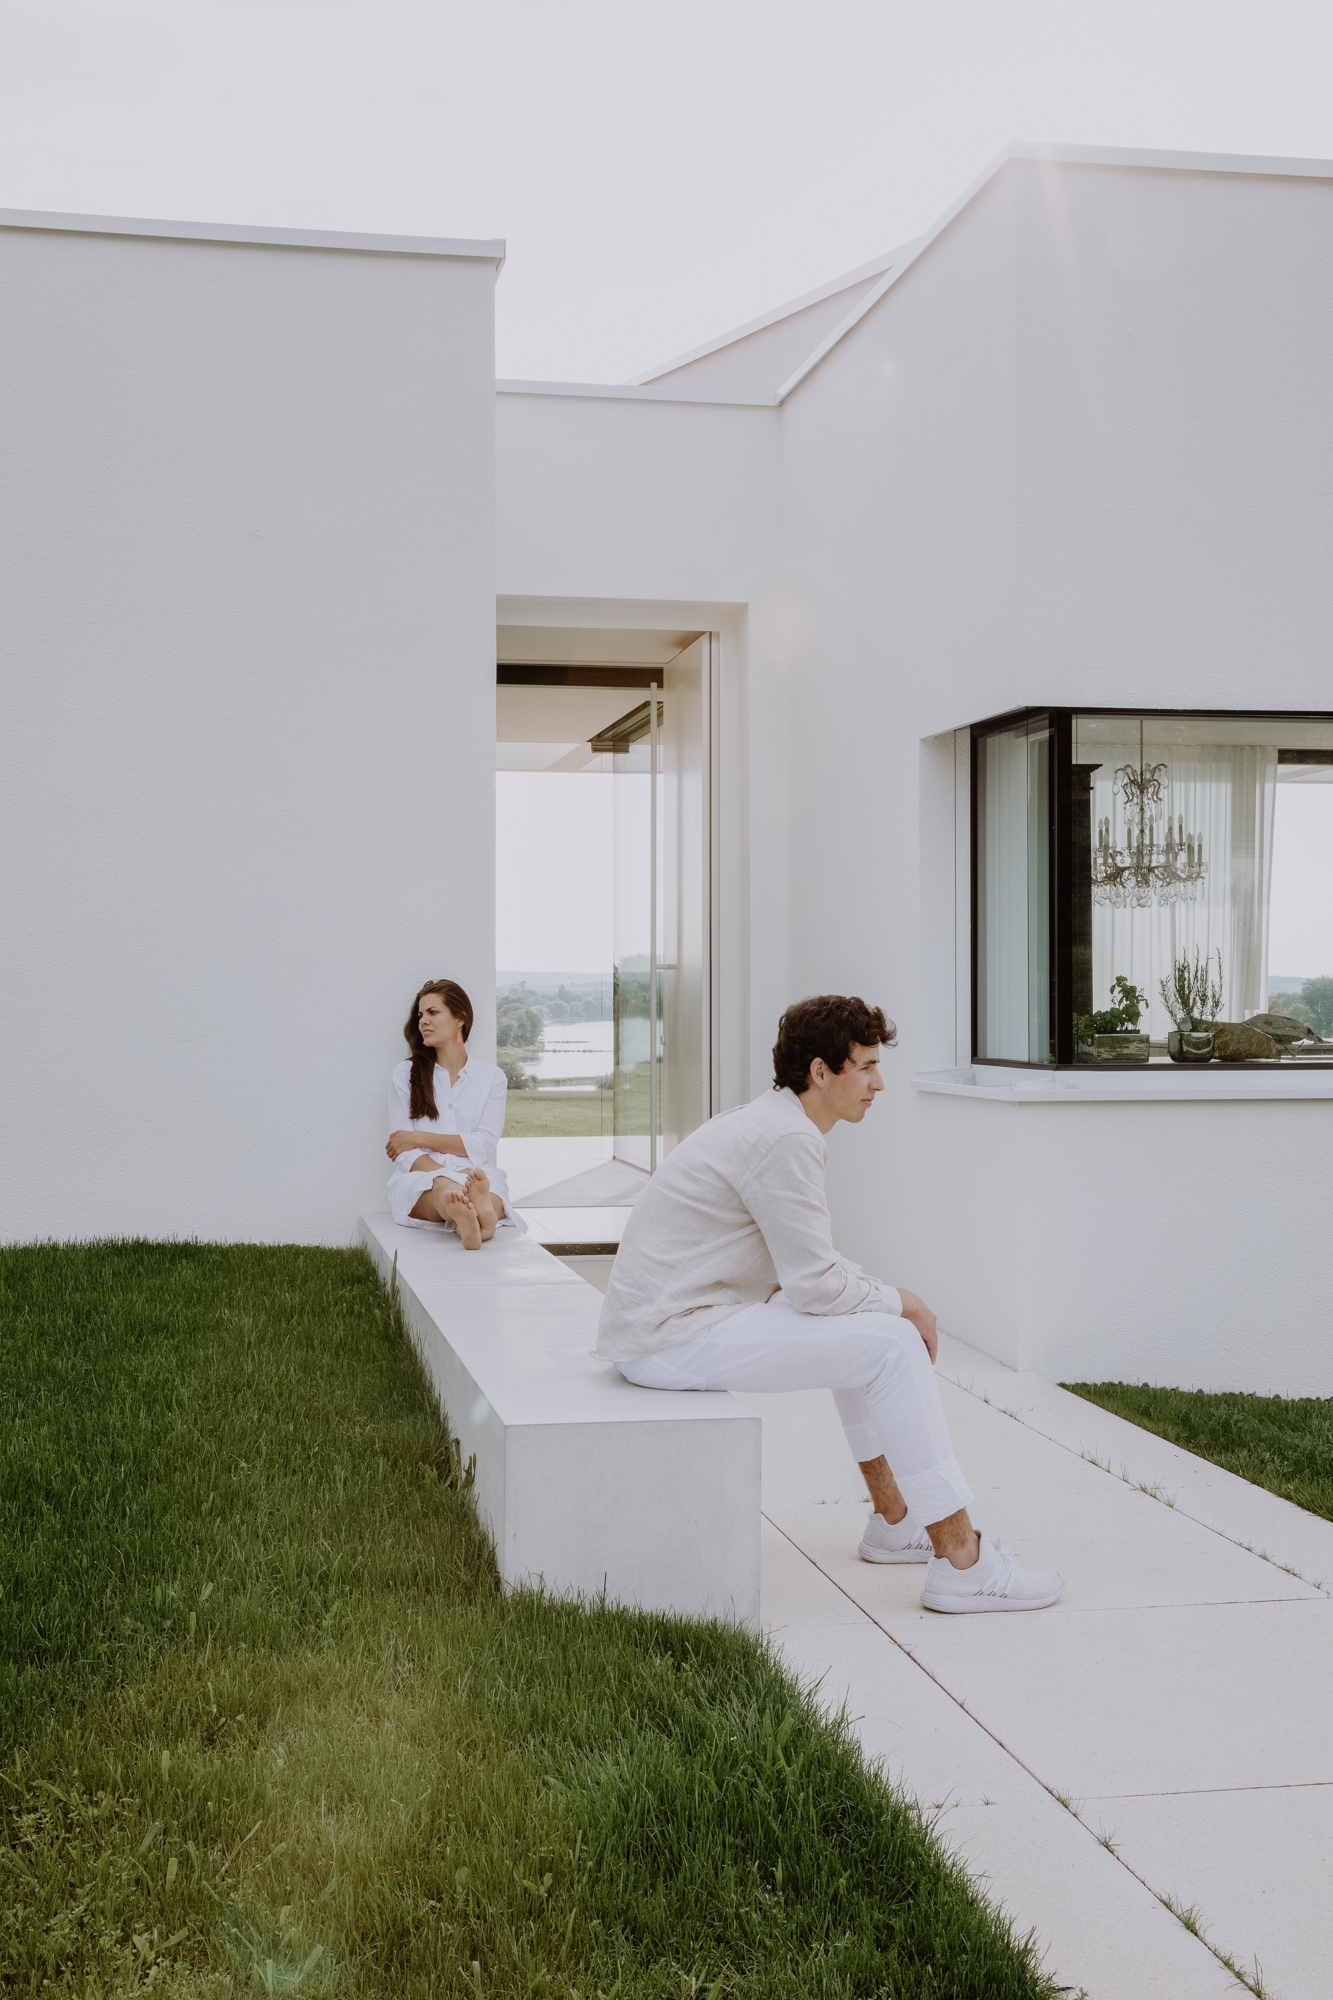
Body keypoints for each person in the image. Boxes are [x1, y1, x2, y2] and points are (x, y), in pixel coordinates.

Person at [597, 994, 1063, 1614]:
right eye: (865, 1066)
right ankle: (962, 1562)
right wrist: (907, 1304)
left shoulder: (777, 1125)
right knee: (892, 1342)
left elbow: (812, 1273)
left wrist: (885, 1302)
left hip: (674, 1324)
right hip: (670, 1336)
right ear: (821, 1071)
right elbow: (815, 1286)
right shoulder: (785, 1138)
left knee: (872, 1324)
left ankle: (896, 1522)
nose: (879, 1083)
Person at [386, 979, 524, 1250]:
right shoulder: (405, 1074)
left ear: (460, 1018)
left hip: (477, 1175)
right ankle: (480, 1222)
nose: (423, 1021)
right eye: (420, 1015)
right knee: (444, 1189)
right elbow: (403, 1151)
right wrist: (451, 1174)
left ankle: (472, 1224)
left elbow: (484, 1144)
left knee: (488, 1192)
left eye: (433, 1012)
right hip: (423, 1176)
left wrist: (419, 1137)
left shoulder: (492, 1077)